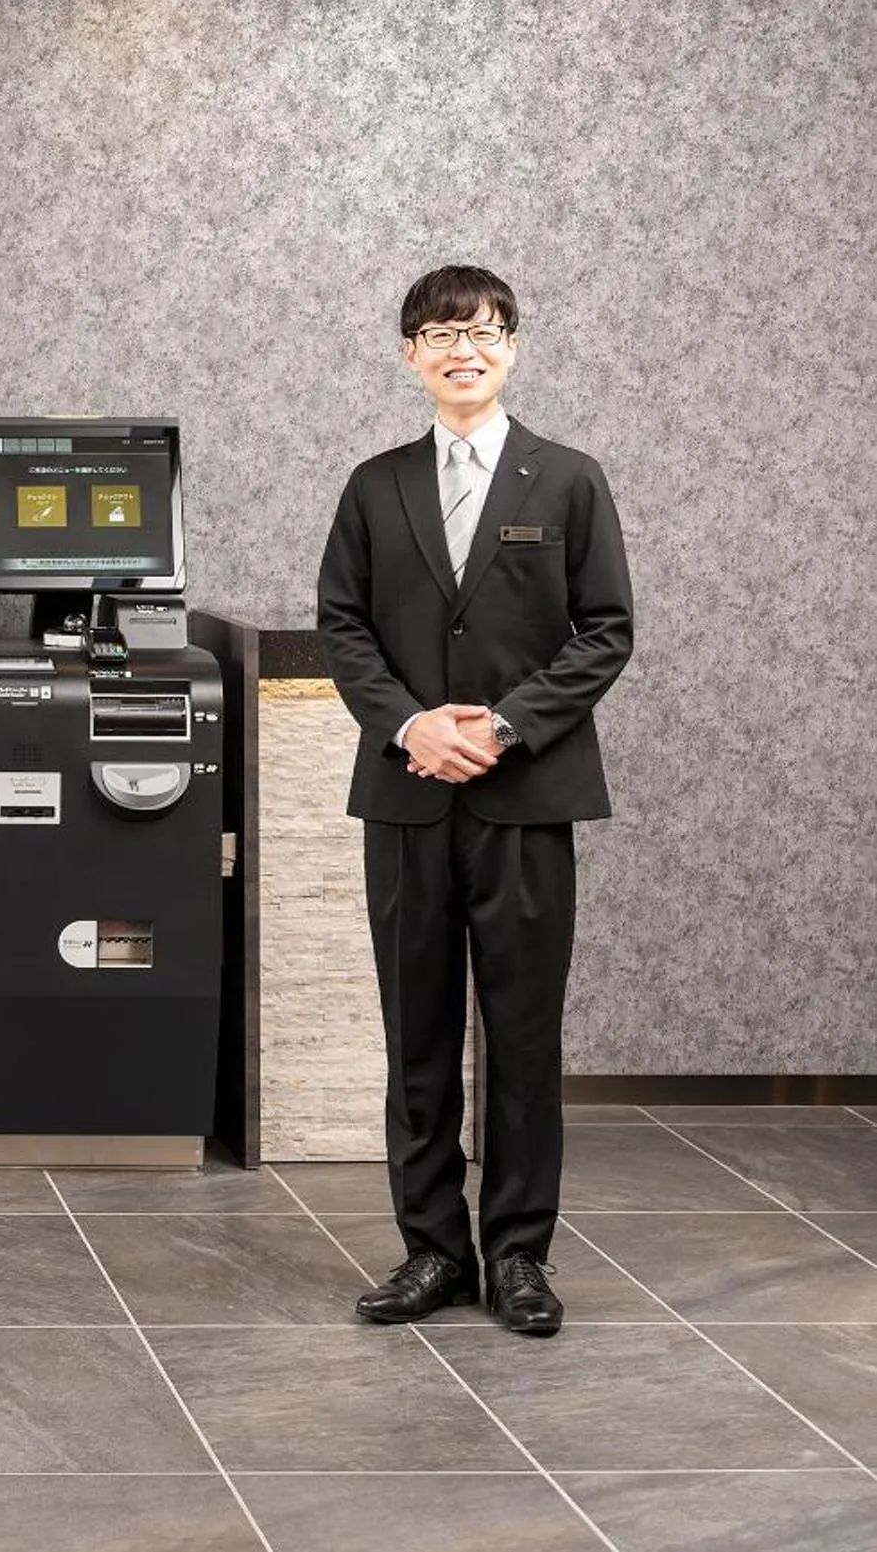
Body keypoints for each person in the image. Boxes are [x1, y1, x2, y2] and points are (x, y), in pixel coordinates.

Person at [315, 264, 633, 1337]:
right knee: (416, 1032)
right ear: (410, 354)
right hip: (406, 794)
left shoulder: (568, 479)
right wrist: (413, 725)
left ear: (512, 347)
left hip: (526, 795)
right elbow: (342, 626)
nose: (464, 346)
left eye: (484, 330)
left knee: (523, 1034)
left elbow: (605, 630)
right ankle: (431, 1251)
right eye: (443, 331)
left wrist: (496, 725)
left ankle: (517, 1255)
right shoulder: (374, 484)